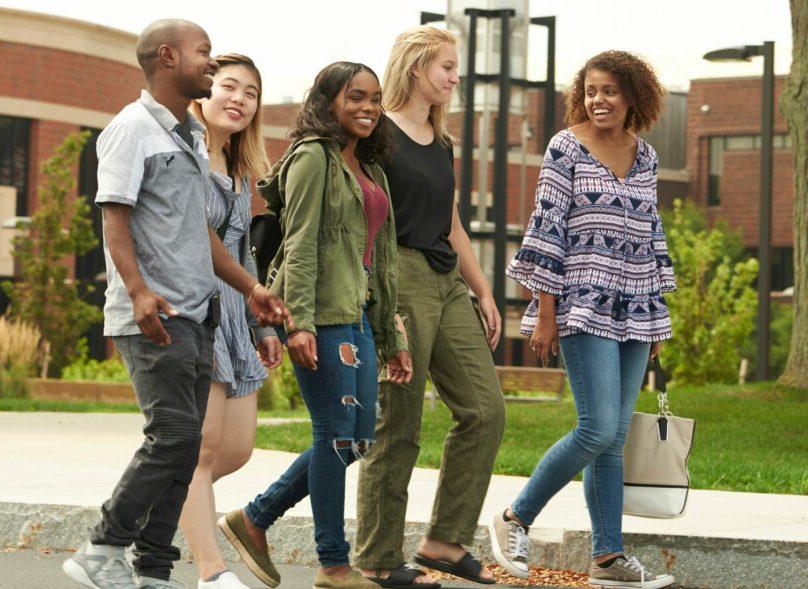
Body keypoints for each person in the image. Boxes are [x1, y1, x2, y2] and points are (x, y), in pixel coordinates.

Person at [60, 19, 288, 589]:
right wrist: (137, 292)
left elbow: (202, 234)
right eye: (204, 55)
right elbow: (113, 212)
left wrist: (251, 289)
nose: (211, 66)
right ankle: (103, 548)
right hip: (157, 312)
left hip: (202, 312)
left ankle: (154, 572)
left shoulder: (188, 136)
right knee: (180, 439)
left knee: (187, 451)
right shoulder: (131, 128)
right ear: (168, 57)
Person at [219, 61, 413, 589]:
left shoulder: (369, 169)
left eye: (374, 98)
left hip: (355, 316)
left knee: (356, 440)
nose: (367, 107)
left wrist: (391, 335)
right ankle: (332, 565)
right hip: (318, 316)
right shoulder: (312, 158)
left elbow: (380, 259)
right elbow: (301, 244)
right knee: (333, 435)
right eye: (355, 97)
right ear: (329, 101)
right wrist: (297, 323)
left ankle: (255, 518)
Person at [490, 50, 677, 589]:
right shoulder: (565, 147)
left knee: (612, 438)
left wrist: (657, 319)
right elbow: (548, 227)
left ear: (633, 97)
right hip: (580, 304)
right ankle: (515, 517)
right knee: (596, 427)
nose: (599, 100)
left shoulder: (646, 157)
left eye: (611, 91)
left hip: (636, 307)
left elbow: (651, 234)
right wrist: (544, 310)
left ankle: (607, 559)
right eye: (592, 90)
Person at [354, 26, 506, 588]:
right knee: (399, 420)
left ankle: (444, 540)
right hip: (399, 275)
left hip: (445, 279)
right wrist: (379, 301)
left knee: (485, 410)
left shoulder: (441, 141)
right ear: (417, 67)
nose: (455, 77)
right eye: (447, 66)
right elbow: (363, 223)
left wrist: (483, 289)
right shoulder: (376, 136)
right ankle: (375, 557)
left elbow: (451, 222)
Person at [176, 52, 283, 589]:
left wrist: (262, 324)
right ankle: (211, 573)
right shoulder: (185, 153)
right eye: (230, 87)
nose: (239, 99)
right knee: (200, 449)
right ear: (202, 94)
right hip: (195, 308)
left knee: (236, 450)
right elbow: (196, 237)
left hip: (236, 314)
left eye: (251, 93)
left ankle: (141, 504)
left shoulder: (241, 171)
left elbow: (244, 254)